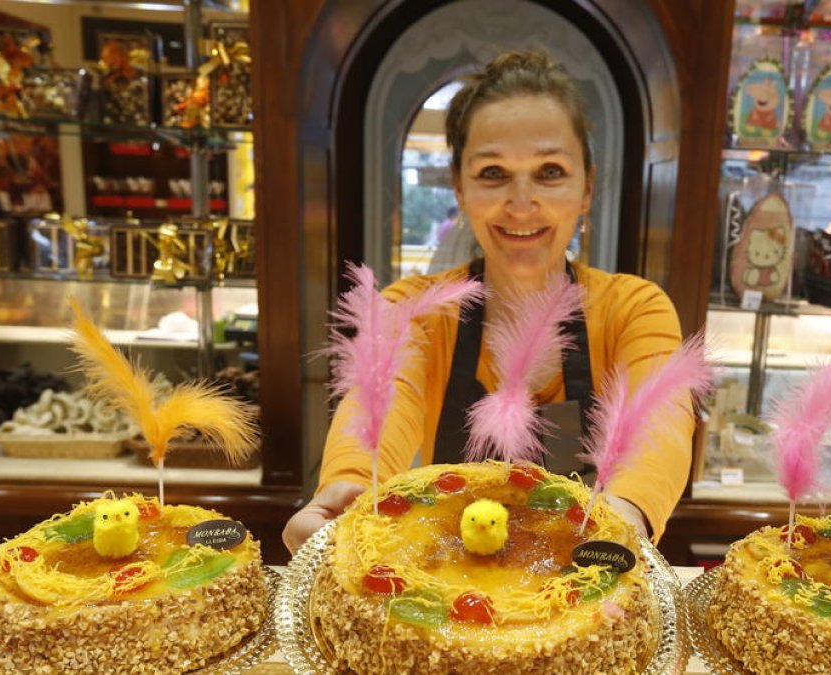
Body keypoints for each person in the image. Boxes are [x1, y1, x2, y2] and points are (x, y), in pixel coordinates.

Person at [283, 50, 694, 553]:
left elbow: (661, 429)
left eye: (549, 172)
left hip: (588, 578)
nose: (521, 202)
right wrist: (345, 487)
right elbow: (379, 409)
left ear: (587, 186)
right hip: (452, 586)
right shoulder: (417, 309)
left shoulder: (633, 308)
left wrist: (626, 516)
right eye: (493, 173)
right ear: (459, 186)